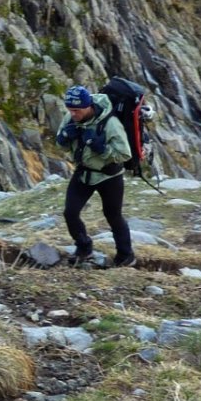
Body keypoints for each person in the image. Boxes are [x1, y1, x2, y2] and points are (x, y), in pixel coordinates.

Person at [55, 84, 135, 268]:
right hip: (84, 173)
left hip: (109, 176)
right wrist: (65, 137)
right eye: (70, 109)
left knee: (113, 215)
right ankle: (84, 248)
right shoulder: (71, 118)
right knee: (70, 212)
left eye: (76, 110)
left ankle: (126, 256)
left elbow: (125, 154)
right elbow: (62, 144)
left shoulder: (111, 123)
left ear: (88, 106)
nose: (73, 114)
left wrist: (102, 149)